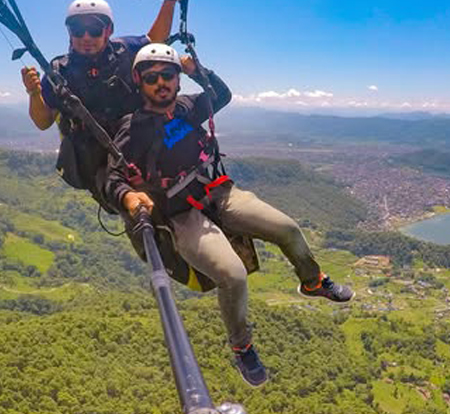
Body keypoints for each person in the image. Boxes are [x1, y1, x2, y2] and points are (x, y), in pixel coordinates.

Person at [104, 43, 353, 386]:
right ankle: (242, 345)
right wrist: (129, 197)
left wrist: (198, 71)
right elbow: (112, 178)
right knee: (233, 275)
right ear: (139, 81)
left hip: (219, 192)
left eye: (168, 75)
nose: (161, 83)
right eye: (152, 77)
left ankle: (312, 281)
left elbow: (221, 95)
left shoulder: (188, 106)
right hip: (181, 214)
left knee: (287, 228)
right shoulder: (133, 129)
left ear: (177, 79)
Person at [20, 0, 179, 204]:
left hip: (138, 143)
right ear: (69, 33)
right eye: (78, 30)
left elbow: (156, 40)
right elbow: (43, 121)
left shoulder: (125, 50)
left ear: (108, 30)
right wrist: (34, 93)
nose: (86, 37)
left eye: (94, 29)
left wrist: (169, 1)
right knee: (134, 204)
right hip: (96, 161)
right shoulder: (59, 71)